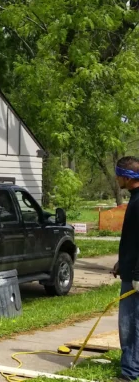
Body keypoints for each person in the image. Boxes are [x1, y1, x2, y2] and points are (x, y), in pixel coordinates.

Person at [113, 156, 139, 381]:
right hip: (131, 269)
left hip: (136, 276)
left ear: (127, 177)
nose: (116, 178)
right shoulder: (135, 198)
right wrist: (123, 261)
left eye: (118, 174)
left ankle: (129, 373)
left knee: (130, 324)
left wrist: (136, 273)